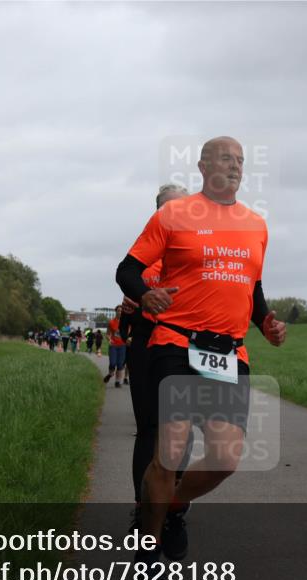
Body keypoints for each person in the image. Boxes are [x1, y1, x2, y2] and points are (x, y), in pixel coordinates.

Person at [116, 136, 286, 575]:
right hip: (175, 342)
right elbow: (127, 269)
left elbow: (254, 287)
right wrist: (146, 294)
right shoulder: (173, 214)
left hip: (229, 352)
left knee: (225, 458)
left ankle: (171, 507)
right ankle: (149, 552)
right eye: (226, 159)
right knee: (170, 450)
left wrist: (266, 322)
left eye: (241, 161)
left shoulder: (256, 225)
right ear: (203, 165)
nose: (235, 167)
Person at [123, 183, 189, 526]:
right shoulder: (145, 251)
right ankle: (142, 503)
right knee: (149, 429)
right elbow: (128, 296)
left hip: (187, 344)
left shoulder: (199, 249)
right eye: (166, 208)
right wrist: (133, 306)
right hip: (148, 344)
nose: (174, 214)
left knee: (183, 429)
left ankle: (174, 499)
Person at [103, 305, 128, 387]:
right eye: (118, 311)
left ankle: (117, 382)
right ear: (116, 312)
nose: (120, 312)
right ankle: (110, 374)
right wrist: (109, 339)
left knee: (120, 365)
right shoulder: (111, 322)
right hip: (113, 345)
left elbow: (129, 334)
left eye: (121, 311)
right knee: (113, 363)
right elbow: (107, 334)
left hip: (123, 346)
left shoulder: (126, 322)